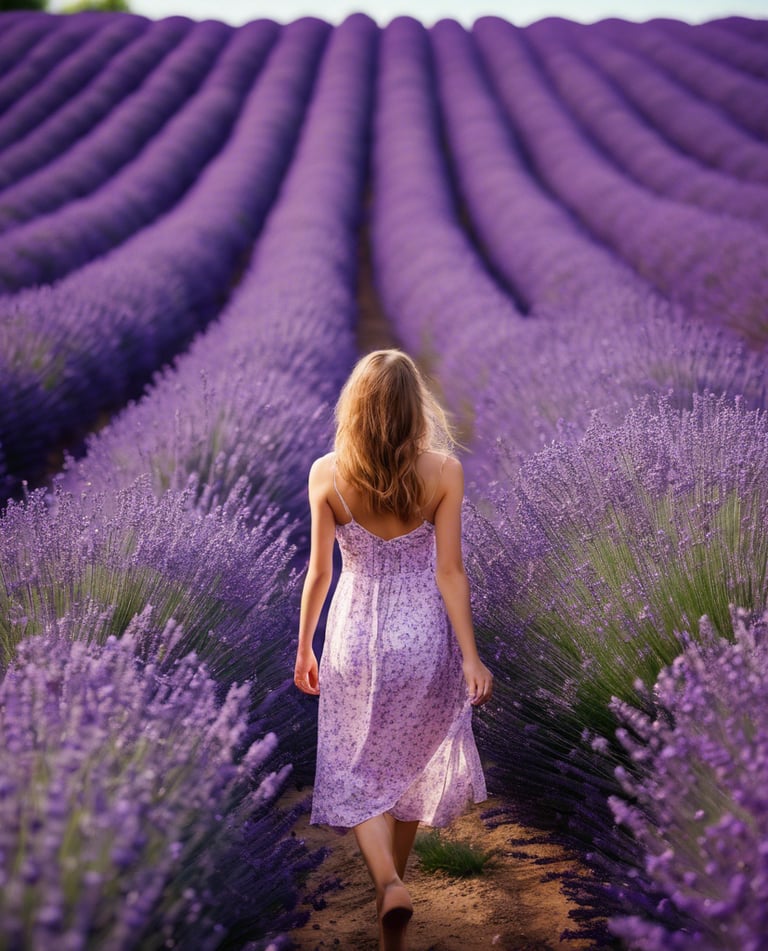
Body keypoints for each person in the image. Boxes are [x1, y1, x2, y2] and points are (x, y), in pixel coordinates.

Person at [294, 349, 492, 951]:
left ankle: (387, 886)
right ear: (414, 408)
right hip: (422, 638)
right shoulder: (444, 472)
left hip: (354, 635)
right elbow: (452, 572)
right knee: (405, 770)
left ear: (355, 408)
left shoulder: (327, 473)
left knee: (357, 770)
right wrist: (469, 656)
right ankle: (395, 899)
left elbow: (319, 574)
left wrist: (304, 645)